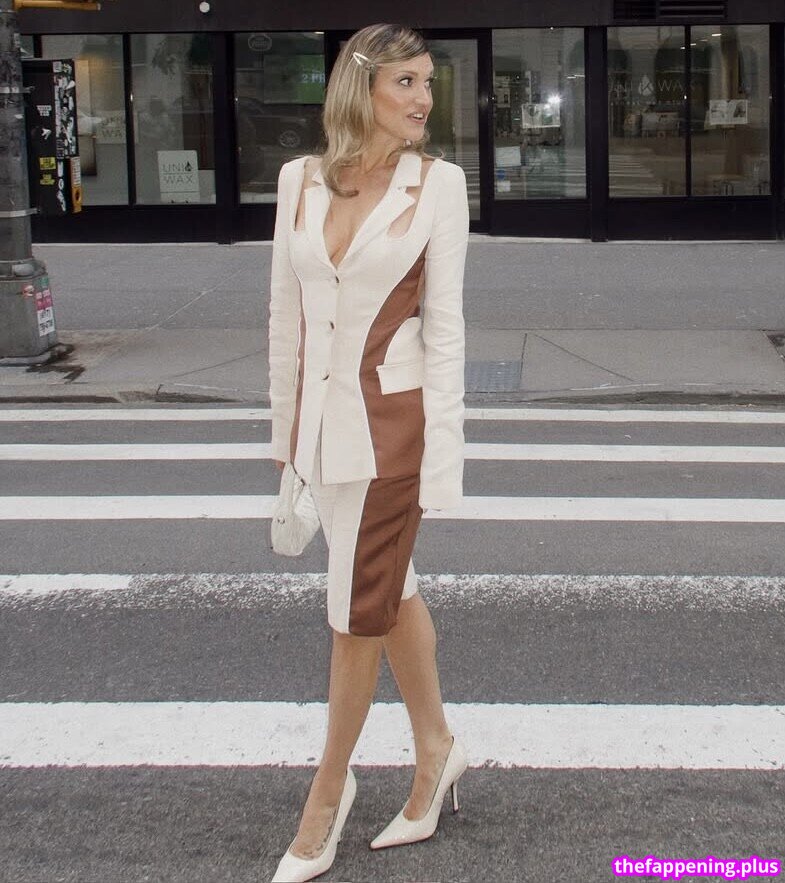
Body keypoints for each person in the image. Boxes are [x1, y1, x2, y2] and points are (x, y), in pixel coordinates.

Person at [267, 22, 470, 883]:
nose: (424, 97)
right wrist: (286, 441)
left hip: (393, 431)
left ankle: (327, 791)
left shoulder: (439, 185)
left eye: (427, 81)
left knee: (355, 609)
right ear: (362, 89)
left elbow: (446, 329)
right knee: (391, 586)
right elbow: (285, 317)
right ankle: (437, 748)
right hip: (322, 431)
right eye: (405, 82)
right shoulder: (299, 181)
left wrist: (442, 460)